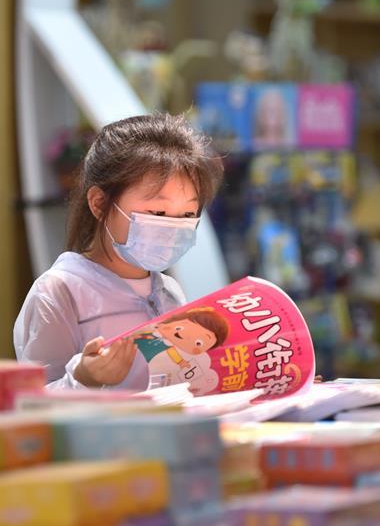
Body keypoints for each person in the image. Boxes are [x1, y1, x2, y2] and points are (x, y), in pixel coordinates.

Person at [13, 113, 224, 390]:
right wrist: (84, 379)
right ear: (100, 204)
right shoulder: (60, 292)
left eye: (187, 214)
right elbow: (32, 399)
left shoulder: (169, 292)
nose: (172, 227)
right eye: (158, 212)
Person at [133, 308, 229, 395]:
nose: (185, 337)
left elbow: (172, 353)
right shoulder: (150, 328)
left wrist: (180, 362)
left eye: (198, 343)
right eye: (179, 328)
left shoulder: (168, 349)